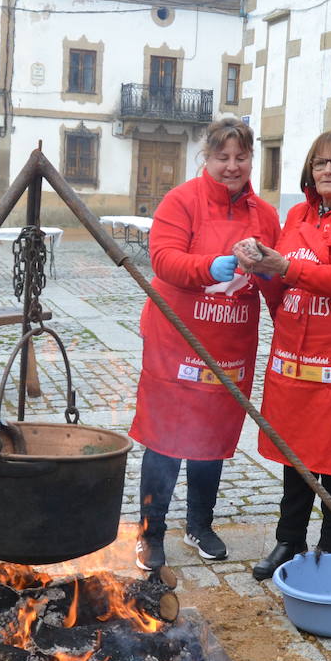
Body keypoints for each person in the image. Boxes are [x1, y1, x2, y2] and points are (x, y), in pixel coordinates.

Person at [237, 131, 331, 581]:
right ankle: (289, 539)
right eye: (321, 163)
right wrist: (258, 266)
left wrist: (283, 266)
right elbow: (283, 285)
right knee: (295, 452)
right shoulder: (298, 214)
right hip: (295, 354)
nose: (328, 171)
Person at [130, 116, 282, 571]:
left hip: (230, 340)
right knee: (166, 437)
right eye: (222, 157)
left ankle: (199, 523)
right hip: (176, 339)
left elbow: (276, 276)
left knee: (210, 437)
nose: (232, 166)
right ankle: (150, 531)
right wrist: (210, 268)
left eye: (241, 157)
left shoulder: (266, 215)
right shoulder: (182, 201)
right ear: (207, 157)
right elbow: (163, 259)